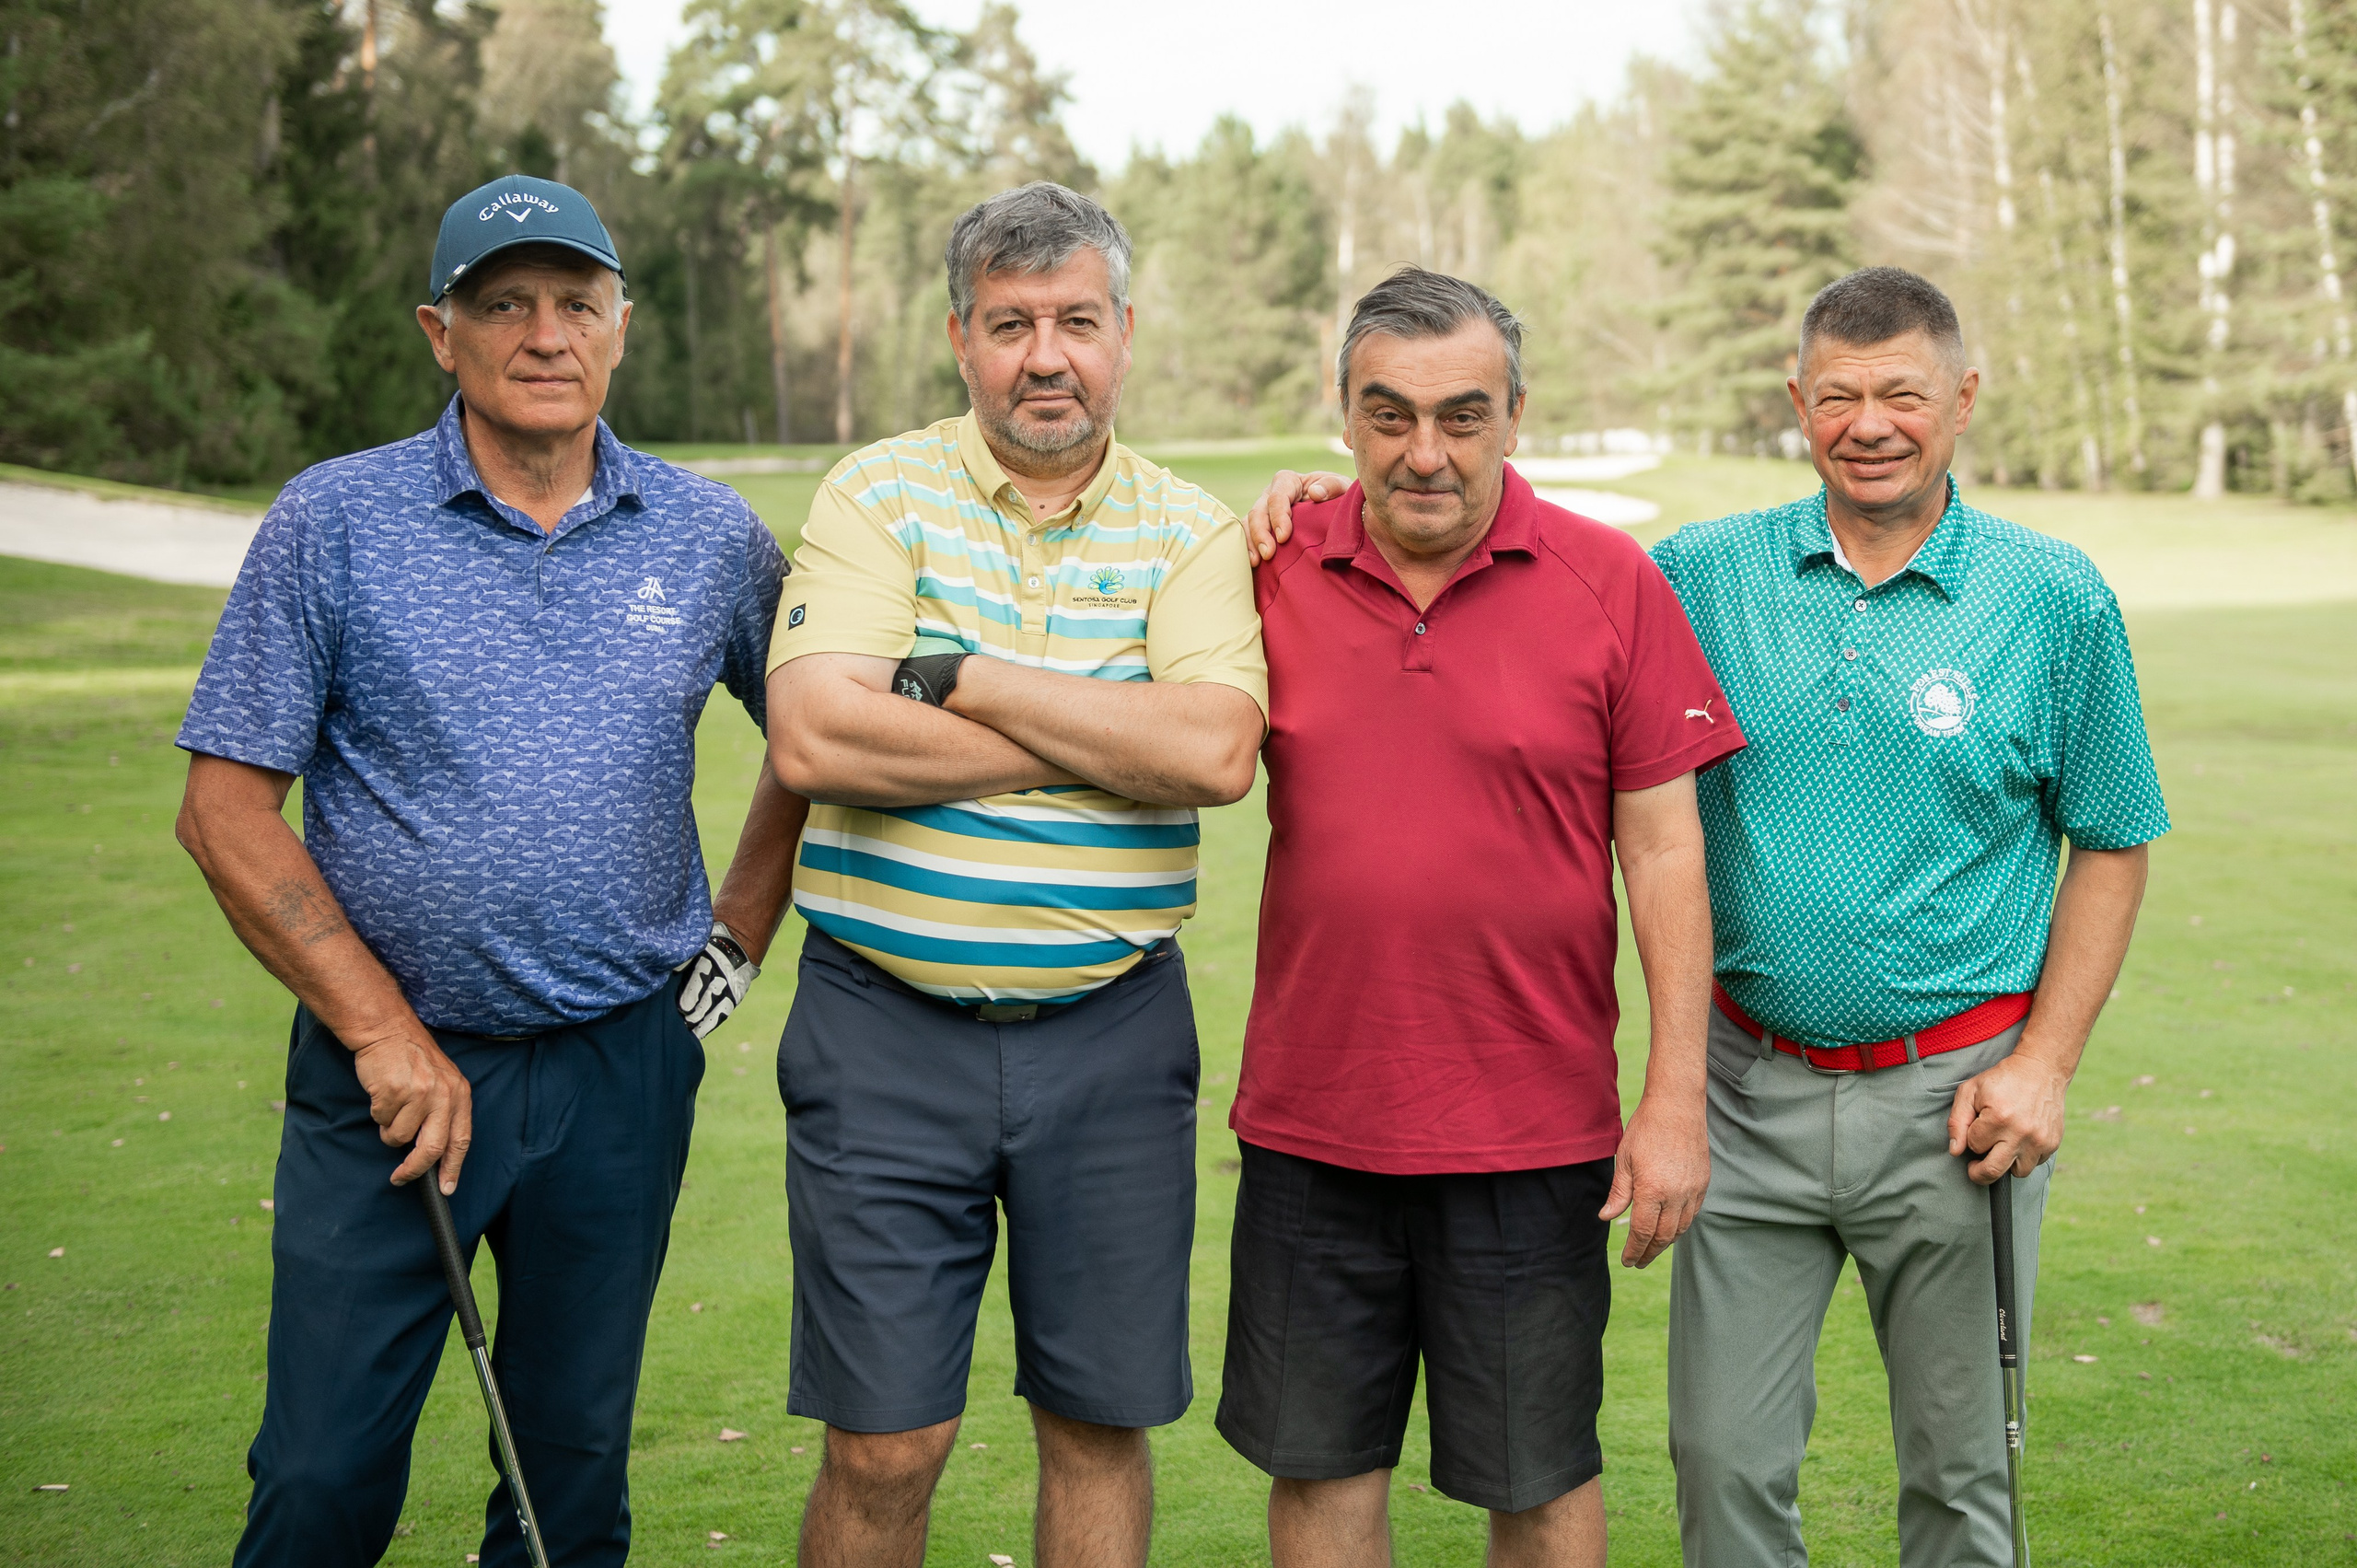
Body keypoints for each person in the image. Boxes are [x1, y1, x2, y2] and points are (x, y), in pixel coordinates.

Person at [1248, 265, 2168, 1567]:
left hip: (1961, 1100)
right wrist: (1303, 502)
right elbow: (1503, 564)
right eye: (1838, 396)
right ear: (1797, 403)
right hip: (1749, 1086)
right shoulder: (1694, 574)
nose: (1870, 424)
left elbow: (2115, 840)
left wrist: (2048, 1067)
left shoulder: (2052, 595)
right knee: (1724, 1466)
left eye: (1902, 395)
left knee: (1964, 1479)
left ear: (1961, 400)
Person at [175, 173, 807, 1567]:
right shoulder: (336, 520)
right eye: (502, 303)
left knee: (567, 1477)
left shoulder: (706, 535)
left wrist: (737, 939)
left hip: (620, 1065)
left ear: (621, 326)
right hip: (391, 1080)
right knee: (325, 1475)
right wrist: (380, 1030)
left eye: (575, 303)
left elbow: (816, 733)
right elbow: (226, 811)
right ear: (437, 331)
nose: (543, 333)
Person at [762, 181, 1267, 1568]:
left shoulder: (1191, 530)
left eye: (1077, 323)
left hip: (1112, 1031)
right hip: (883, 1027)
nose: (1047, 355)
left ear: (1123, 335)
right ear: (959, 338)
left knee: (1098, 1426)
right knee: (884, 1442)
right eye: (1012, 325)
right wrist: (1104, 732)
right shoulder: (878, 493)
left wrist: (964, 680)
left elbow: (1217, 753)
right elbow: (814, 732)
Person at [1216, 266, 1739, 1568]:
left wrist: (1675, 1100)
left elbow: (1667, 851)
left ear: (1516, 415)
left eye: (1462, 414)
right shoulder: (1269, 569)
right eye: (1388, 415)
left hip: (1530, 1132)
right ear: (1342, 415)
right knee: (1322, 1472)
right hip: (1314, 1121)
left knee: (1540, 1480)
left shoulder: (1608, 579)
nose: (1425, 451)